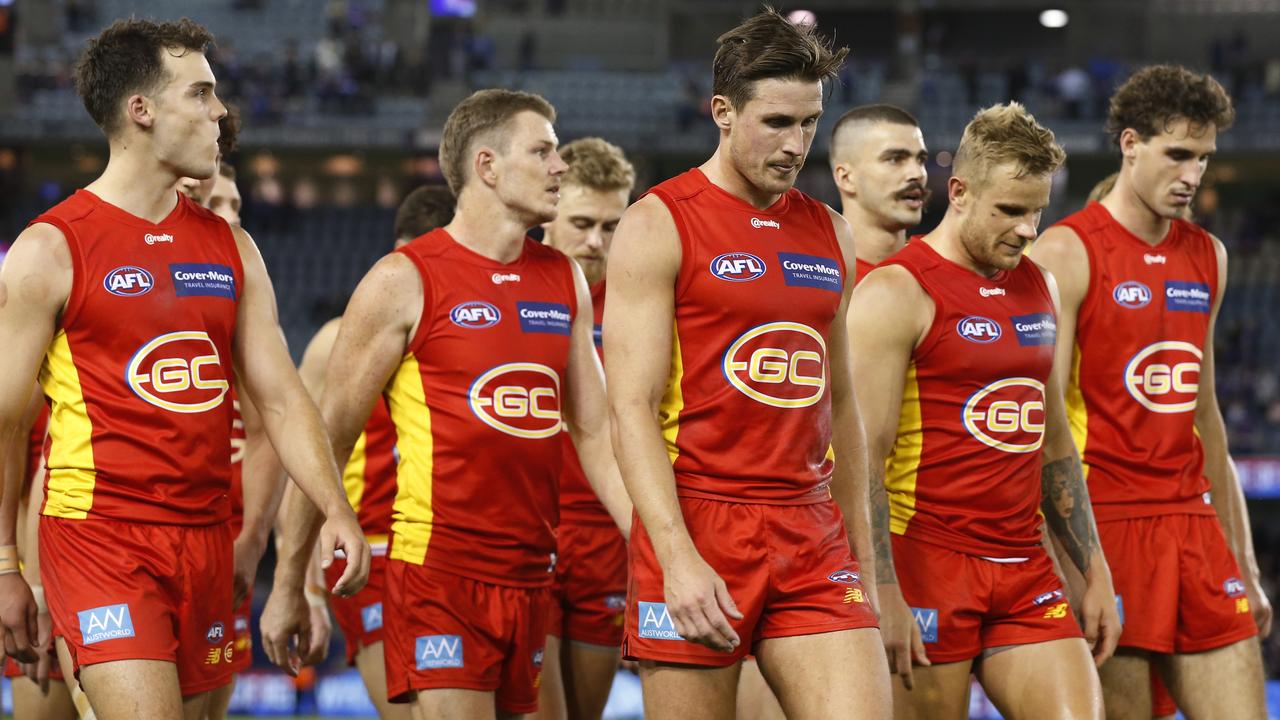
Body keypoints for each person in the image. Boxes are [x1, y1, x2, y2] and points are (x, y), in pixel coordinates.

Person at [0, 18, 369, 718]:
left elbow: (285, 405)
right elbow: (6, 422)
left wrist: (334, 510)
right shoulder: (51, 248)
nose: (221, 113)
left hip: (206, 545)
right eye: (200, 95)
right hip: (100, 537)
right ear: (141, 111)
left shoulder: (234, 249)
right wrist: (5, 569)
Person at [261, 89, 633, 720]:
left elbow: (594, 430)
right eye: (542, 151)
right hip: (440, 576)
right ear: (487, 165)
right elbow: (327, 440)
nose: (559, 167)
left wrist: (650, 538)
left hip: (534, 574)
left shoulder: (562, 279)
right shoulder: (400, 280)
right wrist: (292, 581)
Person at [604, 9, 891, 719]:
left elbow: (844, 405)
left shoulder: (832, 232)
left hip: (810, 530)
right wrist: (674, 555)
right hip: (699, 520)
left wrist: (864, 556)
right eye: (776, 122)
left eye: (810, 122)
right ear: (723, 113)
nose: (796, 145)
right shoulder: (658, 221)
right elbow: (630, 407)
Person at [849, 102, 1120, 720]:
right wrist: (881, 588)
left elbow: (1054, 444)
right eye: (1011, 211)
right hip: (925, 567)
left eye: (1037, 212)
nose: (1028, 230)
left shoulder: (1041, 285)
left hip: (1026, 569)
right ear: (960, 192)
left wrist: (1093, 569)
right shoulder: (895, 292)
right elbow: (866, 455)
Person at [1029, 64, 1270, 719]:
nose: (1193, 175)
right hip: (1107, 525)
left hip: (1193, 526)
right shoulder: (1066, 253)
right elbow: (1043, 427)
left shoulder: (1208, 255)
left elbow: (1206, 415)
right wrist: (1073, 568)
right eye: (1177, 154)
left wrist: (1242, 557)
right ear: (1130, 143)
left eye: (1204, 158)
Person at [293, 184, 457, 720]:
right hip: (372, 549)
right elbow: (302, 460)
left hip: (456, 547)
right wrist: (303, 587)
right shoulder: (339, 339)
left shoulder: (469, 336)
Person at [532, 137, 635, 720]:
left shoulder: (642, 304)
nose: (596, 241)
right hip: (531, 529)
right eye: (581, 222)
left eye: (611, 225)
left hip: (608, 537)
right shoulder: (516, 285)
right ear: (550, 209)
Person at [829, 103, 930, 281]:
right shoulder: (817, 278)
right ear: (846, 178)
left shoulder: (940, 269)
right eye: (895, 159)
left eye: (920, 160)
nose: (917, 174)